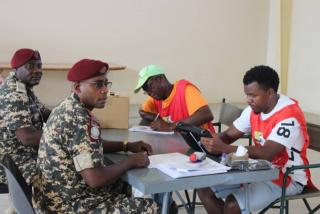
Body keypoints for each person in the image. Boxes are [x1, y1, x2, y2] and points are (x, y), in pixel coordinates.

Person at [33, 59, 159, 213]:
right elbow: (94, 179)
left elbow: (88, 146)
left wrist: (127, 145)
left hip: (51, 197)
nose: (105, 90)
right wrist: (130, 161)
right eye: (98, 84)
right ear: (78, 87)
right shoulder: (80, 119)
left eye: (106, 83)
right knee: (155, 207)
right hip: (66, 206)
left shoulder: (67, 107)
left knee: (122, 184)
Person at [197, 65, 313, 214]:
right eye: (247, 95)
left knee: (232, 205)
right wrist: (204, 141)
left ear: (270, 92)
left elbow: (266, 153)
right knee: (204, 187)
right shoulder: (254, 109)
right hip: (260, 169)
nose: (248, 100)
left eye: (253, 95)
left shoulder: (289, 116)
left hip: (287, 177)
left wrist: (224, 148)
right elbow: (228, 136)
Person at [0, 48, 51, 187]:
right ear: (17, 69)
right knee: (62, 180)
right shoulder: (13, 94)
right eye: (30, 66)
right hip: (15, 161)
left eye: (39, 65)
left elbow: (44, 113)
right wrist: (63, 135)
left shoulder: (23, 86)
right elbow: (28, 138)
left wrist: (67, 116)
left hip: (26, 153)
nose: (37, 70)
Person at [134, 64, 215, 133]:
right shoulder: (156, 97)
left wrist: (170, 126)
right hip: (179, 144)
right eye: (146, 91)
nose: (149, 93)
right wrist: (159, 119)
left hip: (203, 145)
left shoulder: (184, 89)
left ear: (160, 79)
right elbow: (142, 111)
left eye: (150, 86)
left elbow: (206, 114)